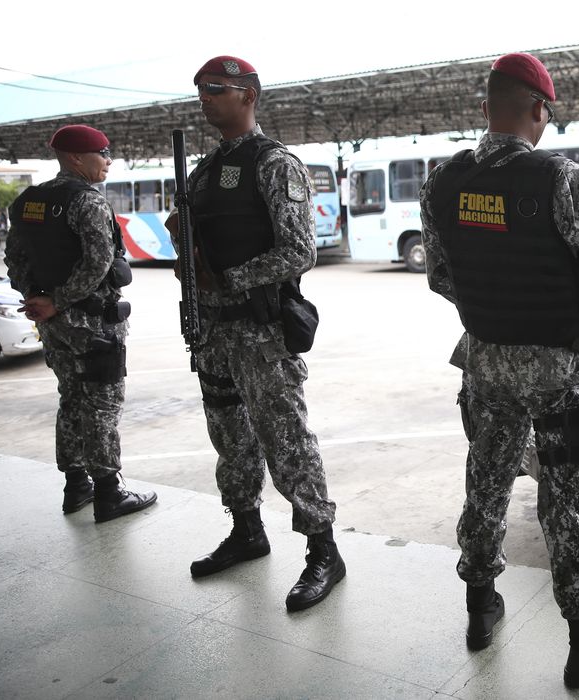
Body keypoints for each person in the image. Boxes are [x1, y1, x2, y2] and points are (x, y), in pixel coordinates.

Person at [420, 52, 579, 688]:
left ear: (485, 106)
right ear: (538, 109)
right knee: (567, 504)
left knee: (487, 480)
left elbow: (442, 275)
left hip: (487, 360)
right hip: (558, 366)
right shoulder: (560, 177)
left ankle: (480, 605)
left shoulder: (442, 181)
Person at [175, 55, 344, 612]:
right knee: (229, 436)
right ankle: (246, 529)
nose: (205, 97)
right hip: (215, 333)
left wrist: (226, 279)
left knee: (286, 440)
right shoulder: (201, 172)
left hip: (259, 330)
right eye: (200, 89)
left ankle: (324, 551)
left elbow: (300, 250)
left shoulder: (273, 164)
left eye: (216, 88)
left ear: (248, 95)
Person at [4, 125, 157, 521]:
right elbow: (99, 264)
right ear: (75, 157)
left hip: (55, 327)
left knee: (71, 400)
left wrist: (36, 300)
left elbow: (15, 260)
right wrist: (57, 301)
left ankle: (76, 487)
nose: (108, 160)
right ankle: (109, 493)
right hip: (92, 323)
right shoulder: (87, 202)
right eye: (102, 152)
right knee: (102, 405)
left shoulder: (27, 202)